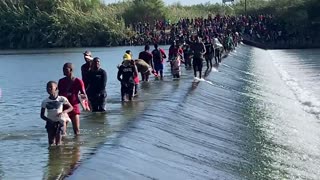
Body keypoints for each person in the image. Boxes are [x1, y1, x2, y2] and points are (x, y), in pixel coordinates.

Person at [41, 81, 73, 146]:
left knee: (58, 143)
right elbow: (42, 115)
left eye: (50, 87)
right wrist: (49, 120)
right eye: (47, 87)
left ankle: (59, 154)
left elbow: (71, 108)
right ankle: (52, 154)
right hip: (50, 122)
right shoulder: (45, 102)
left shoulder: (62, 99)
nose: (49, 89)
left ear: (56, 88)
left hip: (60, 121)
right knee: (51, 143)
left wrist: (64, 112)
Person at [58, 63, 87, 135]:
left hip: (74, 107)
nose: (63, 71)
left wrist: (81, 97)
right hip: (64, 108)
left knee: (76, 130)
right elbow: (58, 95)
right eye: (63, 69)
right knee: (62, 131)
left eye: (65, 69)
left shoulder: (78, 81)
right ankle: (63, 144)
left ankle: (77, 145)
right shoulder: (61, 81)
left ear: (71, 70)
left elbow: (84, 95)